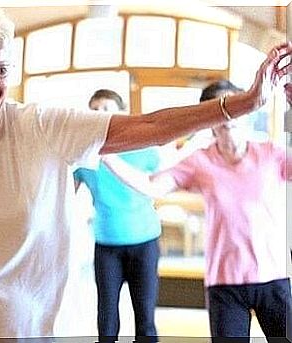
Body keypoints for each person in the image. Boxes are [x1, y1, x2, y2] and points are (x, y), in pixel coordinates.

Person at [0, 7, 292, 338]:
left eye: (1, 69)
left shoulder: (44, 127)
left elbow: (147, 126)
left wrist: (239, 105)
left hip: (50, 332)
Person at [102, 80, 292, 342]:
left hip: (274, 278)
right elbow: (151, 185)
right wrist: (104, 154)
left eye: (235, 108)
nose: (229, 118)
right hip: (224, 284)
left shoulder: (271, 154)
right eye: (220, 111)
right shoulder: (199, 161)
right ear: (208, 121)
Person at [73, 89, 161, 342]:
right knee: (107, 319)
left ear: (121, 113)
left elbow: (161, 183)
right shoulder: (83, 158)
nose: (100, 115)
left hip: (144, 243)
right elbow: (65, 196)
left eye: (106, 108)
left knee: (145, 319)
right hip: (106, 245)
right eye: (95, 110)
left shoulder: (144, 149)